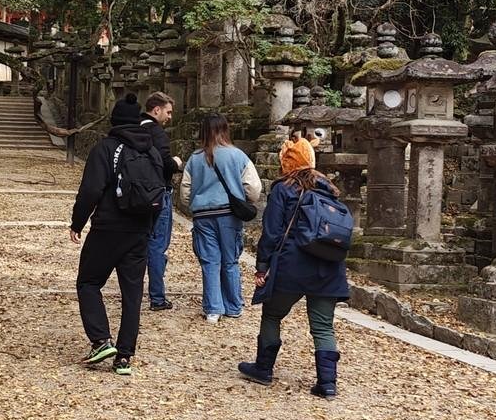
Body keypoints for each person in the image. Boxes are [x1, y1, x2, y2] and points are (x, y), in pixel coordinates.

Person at [237, 137, 348, 398]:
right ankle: (328, 383)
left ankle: (263, 368)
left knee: (273, 314)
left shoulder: (284, 189)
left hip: (292, 264)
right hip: (329, 265)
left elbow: (272, 232)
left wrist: (262, 266)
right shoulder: (330, 190)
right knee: (322, 325)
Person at [70, 92, 165, 376]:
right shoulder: (152, 151)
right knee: (132, 293)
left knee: (88, 282)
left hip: (108, 229)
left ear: (114, 121)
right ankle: (124, 356)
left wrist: (78, 222)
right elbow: (161, 192)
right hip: (139, 229)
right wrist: (149, 226)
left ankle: (101, 340)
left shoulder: (106, 148)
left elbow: (91, 190)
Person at [180, 113, 262, 323]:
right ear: (225, 130)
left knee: (209, 261)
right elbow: (253, 188)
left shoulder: (194, 158)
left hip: (203, 215)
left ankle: (213, 308)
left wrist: (194, 204)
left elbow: (184, 191)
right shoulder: (237, 155)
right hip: (228, 214)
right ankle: (233, 305)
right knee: (230, 260)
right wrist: (244, 199)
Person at [141, 92, 181, 312]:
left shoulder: (132, 128)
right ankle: (157, 296)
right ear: (156, 110)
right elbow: (164, 163)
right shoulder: (157, 133)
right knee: (157, 244)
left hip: (136, 195)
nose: (169, 117)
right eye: (168, 112)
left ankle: (133, 289)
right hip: (158, 192)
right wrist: (175, 162)